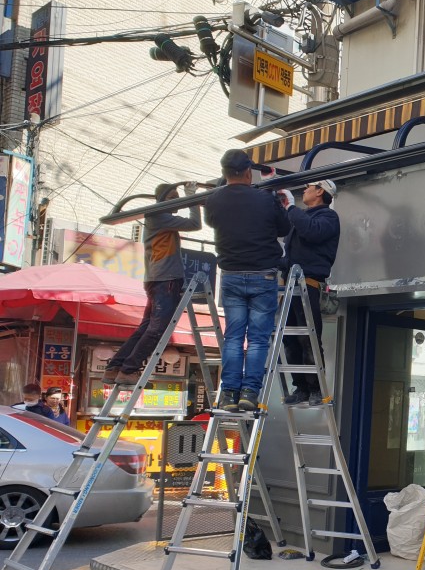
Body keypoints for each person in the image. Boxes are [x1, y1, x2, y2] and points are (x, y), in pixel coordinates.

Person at [204, 149, 290, 413]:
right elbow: (285, 228)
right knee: (258, 339)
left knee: (233, 337)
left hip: (230, 274)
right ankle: (250, 393)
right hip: (262, 273)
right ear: (247, 172)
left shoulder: (214, 200)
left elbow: (210, 221)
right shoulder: (265, 199)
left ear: (224, 173)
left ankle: (229, 393)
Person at [104, 183, 202, 386]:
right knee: (157, 329)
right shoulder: (159, 216)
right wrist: (192, 196)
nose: (177, 201)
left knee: (147, 327)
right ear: (162, 199)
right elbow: (195, 224)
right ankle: (129, 369)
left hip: (156, 279)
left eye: (178, 197)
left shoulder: (157, 218)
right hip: (166, 279)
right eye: (172, 197)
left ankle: (115, 367)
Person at [276, 180, 340, 406]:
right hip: (291, 285)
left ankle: (315, 388)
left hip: (308, 285)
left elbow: (312, 232)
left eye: (308, 187)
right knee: (289, 339)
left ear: (320, 191)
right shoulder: (301, 219)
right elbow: (290, 255)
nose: (304, 190)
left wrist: (291, 207)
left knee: (308, 338)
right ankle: (301, 387)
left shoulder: (328, 217)